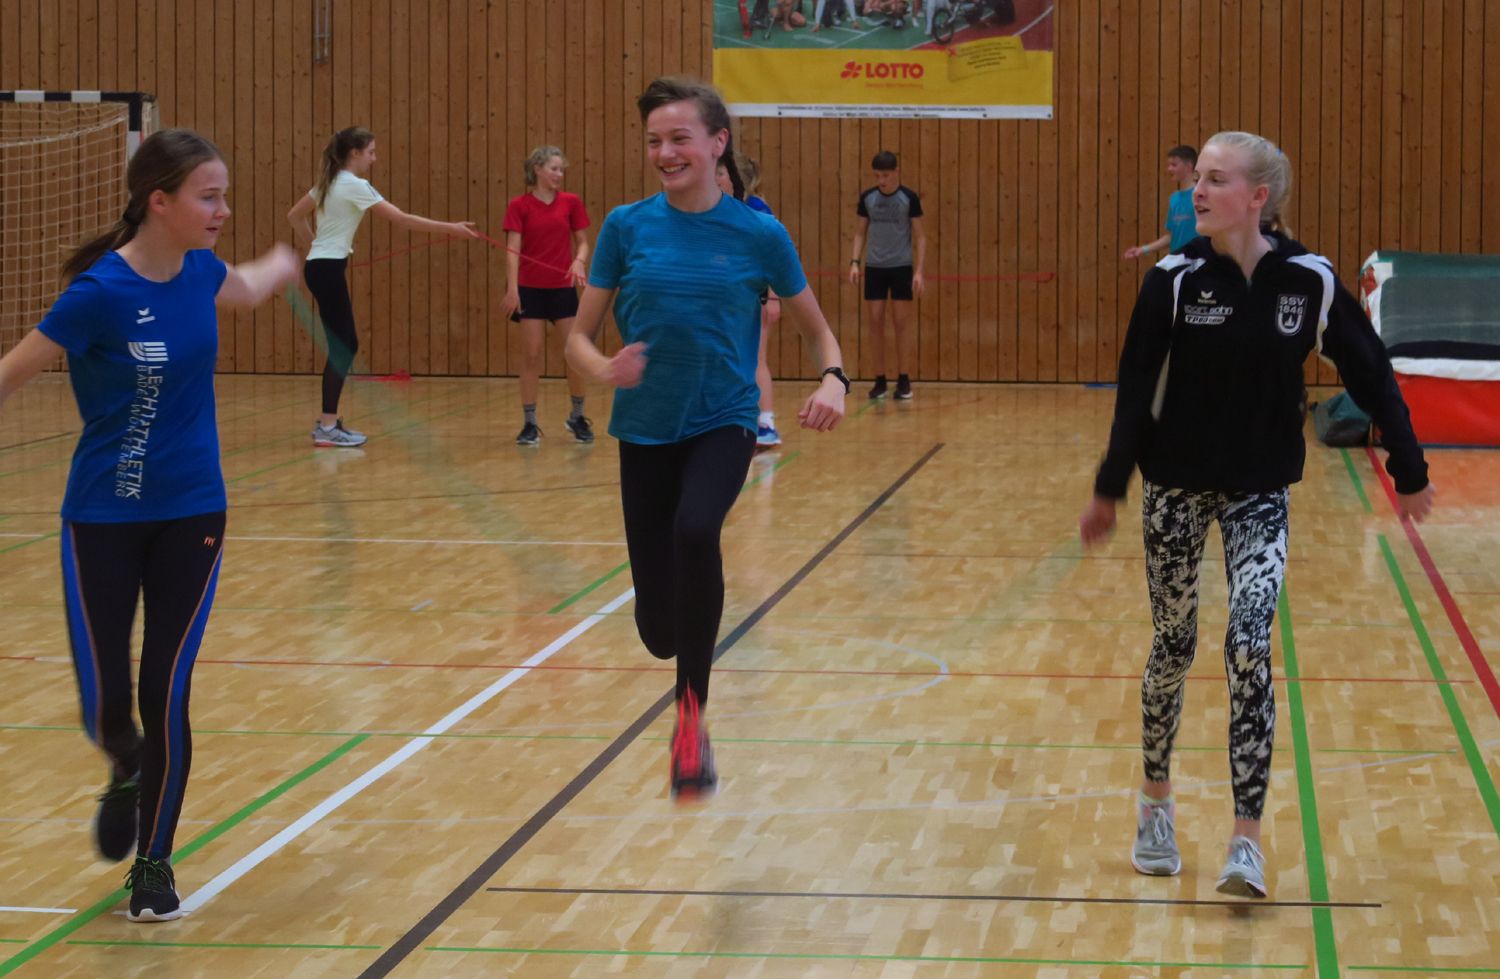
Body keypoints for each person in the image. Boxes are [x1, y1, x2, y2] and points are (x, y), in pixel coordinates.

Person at [1079, 130, 1435, 899]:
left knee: (1248, 644)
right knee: (1173, 645)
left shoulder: (1308, 280)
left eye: (1215, 179)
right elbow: (1136, 390)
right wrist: (1110, 486)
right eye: (1199, 177)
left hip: (1260, 491)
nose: (1198, 190)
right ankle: (1155, 803)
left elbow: (1371, 371)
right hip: (1175, 487)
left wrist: (1409, 466)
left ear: (1257, 197)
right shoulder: (1174, 280)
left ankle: (1246, 840)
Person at [0, 129, 302, 921]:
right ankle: (126, 763)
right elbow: (10, 374)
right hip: (101, 516)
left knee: (165, 687)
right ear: (158, 201)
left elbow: (244, 284)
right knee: (106, 705)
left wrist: (283, 261)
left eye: (224, 195)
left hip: (193, 511)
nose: (222, 210)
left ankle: (153, 863)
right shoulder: (98, 292)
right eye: (209, 196)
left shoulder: (201, 270)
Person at [566, 76, 848, 800]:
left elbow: (817, 329)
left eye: (679, 138)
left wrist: (834, 380)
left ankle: (691, 719)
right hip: (643, 429)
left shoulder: (759, 234)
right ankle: (671, 641)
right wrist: (603, 369)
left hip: (724, 417)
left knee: (697, 529)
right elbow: (578, 337)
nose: (665, 152)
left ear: (718, 143)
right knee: (658, 630)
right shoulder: (627, 227)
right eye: (654, 140)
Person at [287, 127, 478, 447]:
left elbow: (294, 216)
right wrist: (451, 229)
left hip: (321, 267)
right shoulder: (353, 184)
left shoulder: (330, 181)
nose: (374, 159)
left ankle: (328, 422)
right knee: (343, 347)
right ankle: (327, 426)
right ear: (355, 154)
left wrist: (316, 247)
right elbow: (402, 219)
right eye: (371, 152)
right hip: (327, 269)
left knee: (345, 344)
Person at [502, 146, 594, 446]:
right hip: (530, 289)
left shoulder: (571, 202)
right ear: (538, 169)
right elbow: (512, 250)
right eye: (554, 168)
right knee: (531, 354)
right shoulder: (519, 205)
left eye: (561, 169)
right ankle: (529, 423)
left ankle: (577, 416)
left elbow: (583, 242)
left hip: (562, 288)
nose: (559, 174)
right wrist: (512, 289)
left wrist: (579, 260)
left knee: (574, 353)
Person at [716, 156, 782, 449]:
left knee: (756, 359)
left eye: (720, 173)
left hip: (755, 296)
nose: (715, 179)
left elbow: (772, 256)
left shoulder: (756, 209)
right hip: (726, 297)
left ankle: (766, 422)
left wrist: (773, 296)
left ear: (735, 179)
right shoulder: (716, 208)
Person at [848, 150, 925, 400]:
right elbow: (860, 232)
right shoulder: (868, 198)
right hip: (875, 267)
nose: (881, 181)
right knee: (875, 322)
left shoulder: (908, 198)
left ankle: (904, 379)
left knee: (901, 324)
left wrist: (919, 271)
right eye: (877, 176)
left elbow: (920, 237)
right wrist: (855, 262)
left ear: (896, 173)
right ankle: (879, 379)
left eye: (885, 175)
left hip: (901, 267)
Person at [1123, 144, 1198, 260]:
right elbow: (1171, 236)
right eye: (1169, 165)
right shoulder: (1174, 199)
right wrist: (1143, 249)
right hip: (1177, 260)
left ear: (1189, 166)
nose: (1169, 169)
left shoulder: (1201, 195)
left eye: (1174, 165)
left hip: (1198, 261)